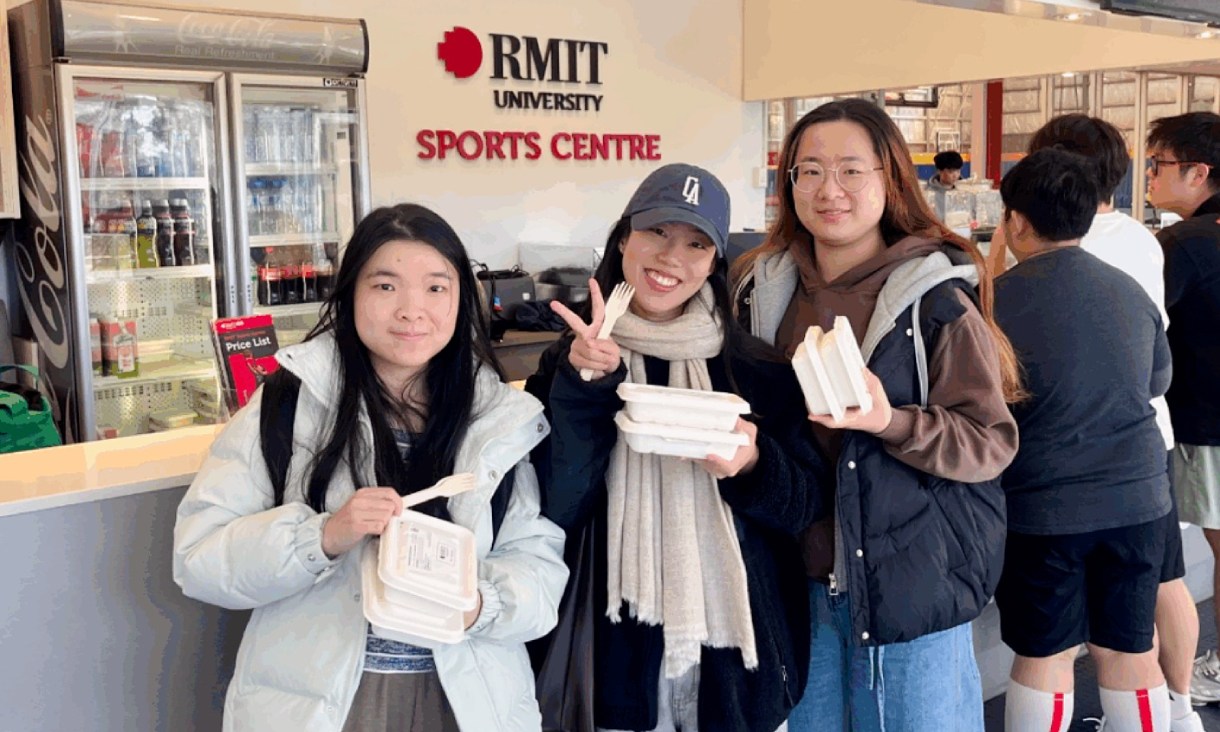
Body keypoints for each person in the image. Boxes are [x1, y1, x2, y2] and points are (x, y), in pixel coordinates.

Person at [173, 204, 568, 731]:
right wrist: (323, 536)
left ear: (460, 301)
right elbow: (198, 558)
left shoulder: (495, 417)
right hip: (329, 707)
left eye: (435, 288)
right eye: (386, 287)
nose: (412, 310)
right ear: (351, 294)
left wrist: (479, 605)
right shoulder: (289, 404)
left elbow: (538, 569)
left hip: (467, 703)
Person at [732, 98, 1022, 731]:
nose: (827, 189)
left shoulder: (934, 298)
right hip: (796, 583)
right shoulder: (761, 291)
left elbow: (988, 442)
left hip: (908, 586)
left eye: (850, 170)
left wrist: (889, 420)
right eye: (808, 171)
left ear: (890, 179)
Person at [526, 163, 826, 732]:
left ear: (715, 261)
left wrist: (755, 465)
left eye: (695, 243)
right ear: (624, 238)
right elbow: (555, 505)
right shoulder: (570, 362)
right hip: (615, 659)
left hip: (736, 667)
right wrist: (585, 387)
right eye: (657, 233)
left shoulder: (755, 369)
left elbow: (805, 506)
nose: (671, 257)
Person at [1024, 114, 1202, 732]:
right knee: (1141, 626)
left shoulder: (1018, 276)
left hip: (1056, 484)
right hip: (1140, 467)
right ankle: (1180, 711)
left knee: (1046, 651)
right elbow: (1158, 370)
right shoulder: (1143, 243)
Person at [993, 148, 1174, 732]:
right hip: (1139, 501)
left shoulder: (993, 302)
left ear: (1016, 220)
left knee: (1044, 655)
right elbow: (1156, 381)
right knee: (1130, 649)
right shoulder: (1128, 291)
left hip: (1043, 507)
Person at [1146, 112, 1220, 707]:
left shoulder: (1183, 245)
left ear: (1199, 172)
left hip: (1207, 423)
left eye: (1159, 165)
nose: (1149, 176)